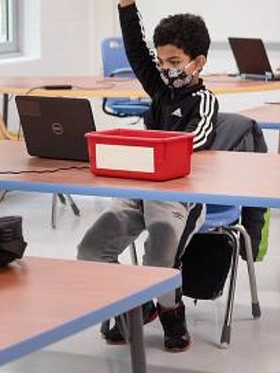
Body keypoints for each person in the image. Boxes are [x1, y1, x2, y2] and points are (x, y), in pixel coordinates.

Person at [77, 0, 218, 353]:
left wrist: (153, 150)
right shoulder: (159, 90)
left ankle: (171, 313)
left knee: (159, 256)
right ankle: (133, 305)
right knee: (91, 249)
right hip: (138, 192)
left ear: (197, 63)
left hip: (179, 199)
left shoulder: (204, 101)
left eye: (174, 63)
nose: (166, 69)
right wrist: (126, 6)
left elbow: (192, 143)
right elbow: (135, 48)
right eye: (161, 62)